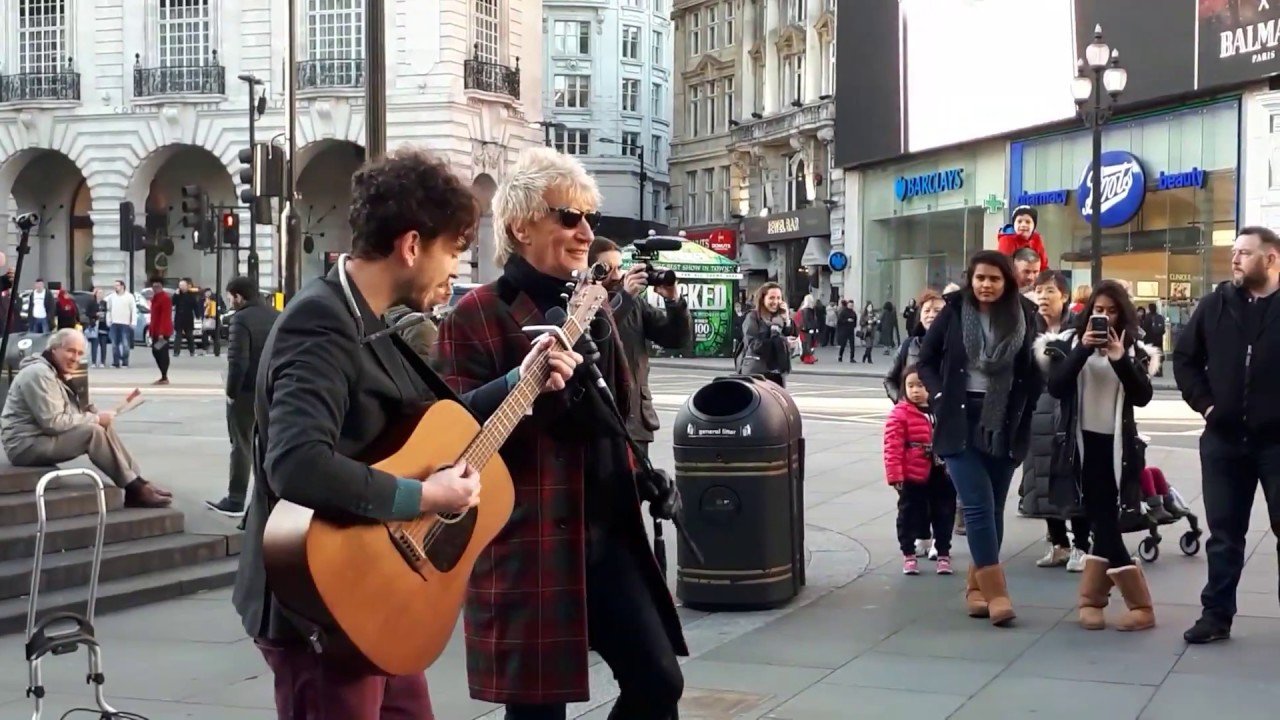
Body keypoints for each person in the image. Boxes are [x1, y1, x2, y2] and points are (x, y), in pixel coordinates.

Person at [230, 148, 581, 720]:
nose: (456, 272)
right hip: (321, 603)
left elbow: (421, 432)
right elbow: (296, 464)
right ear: (412, 245)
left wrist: (522, 381)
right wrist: (424, 497)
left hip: (378, 597)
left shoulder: (371, 319)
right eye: (453, 252)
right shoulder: (320, 323)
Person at [435, 146, 687, 719]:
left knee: (658, 681)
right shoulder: (477, 313)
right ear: (522, 226)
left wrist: (643, 475)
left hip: (607, 533)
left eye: (588, 219)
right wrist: (521, 387)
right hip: (531, 539)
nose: (584, 233)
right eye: (568, 217)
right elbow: (450, 432)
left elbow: (613, 413)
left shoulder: (590, 303)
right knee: (537, 713)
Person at [916, 250, 1042, 627]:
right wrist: (937, 397)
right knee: (976, 504)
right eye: (980, 278)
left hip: (1003, 421)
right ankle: (998, 592)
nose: (986, 285)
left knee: (994, 506)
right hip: (958, 418)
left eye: (994, 279)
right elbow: (926, 359)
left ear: (1007, 282)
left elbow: (1035, 370)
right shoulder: (954, 311)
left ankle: (977, 588)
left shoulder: (1024, 316)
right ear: (970, 279)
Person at [1173, 225, 1280, 645]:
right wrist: (1207, 405)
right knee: (1224, 534)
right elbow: (1184, 358)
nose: (1234, 259)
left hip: (1277, 442)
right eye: (1234, 251)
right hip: (1223, 439)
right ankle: (1216, 616)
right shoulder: (1216, 303)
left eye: (1245, 253)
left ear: (1270, 258)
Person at [1041, 280, 1159, 632]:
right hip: (1080, 445)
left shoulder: (1135, 349)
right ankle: (1113, 603)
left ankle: (1104, 602)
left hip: (1118, 449)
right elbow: (1057, 388)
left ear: (1122, 314)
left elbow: (1142, 397)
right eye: (1098, 310)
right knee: (1099, 521)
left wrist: (1120, 358)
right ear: (1088, 310)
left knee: (1104, 521)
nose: (1103, 317)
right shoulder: (1067, 344)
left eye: (1111, 311)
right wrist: (1081, 352)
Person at [0, 328, 172, 507]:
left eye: (80, 353)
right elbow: (53, 423)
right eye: (70, 351)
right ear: (54, 349)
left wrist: (92, 414)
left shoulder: (53, 372)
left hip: (39, 438)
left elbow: (63, 415)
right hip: (24, 445)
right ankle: (134, 489)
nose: (75, 358)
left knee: (102, 425)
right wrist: (94, 419)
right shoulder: (39, 374)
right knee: (93, 431)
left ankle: (138, 482)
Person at [589, 237, 692, 461]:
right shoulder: (583, 304)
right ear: (591, 271)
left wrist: (673, 300)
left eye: (619, 267)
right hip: (600, 421)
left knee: (637, 492)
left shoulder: (634, 302)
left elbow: (674, 339)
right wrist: (624, 298)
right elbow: (599, 333)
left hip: (636, 420)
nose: (617, 276)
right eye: (607, 269)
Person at [1021, 270, 1091, 572]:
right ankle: (1058, 543)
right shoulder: (1027, 328)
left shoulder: (1077, 329)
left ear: (1064, 295)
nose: (1043, 297)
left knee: (1072, 476)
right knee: (1042, 476)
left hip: (1070, 410)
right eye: (1039, 291)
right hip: (1036, 411)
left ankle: (1081, 545)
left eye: (1050, 291)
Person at [206, 275, 279, 517]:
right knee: (269, 444)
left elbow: (238, 362)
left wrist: (231, 393)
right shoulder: (275, 315)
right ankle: (270, 501)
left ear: (238, 296)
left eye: (230, 297)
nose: (230, 302)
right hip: (273, 390)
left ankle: (236, 499)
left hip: (247, 392)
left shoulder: (241, 320)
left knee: (241, 444)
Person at [884, 365, 956, 576]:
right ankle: (909, 555)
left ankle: (943, 553)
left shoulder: (942, 410)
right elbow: (892, 446)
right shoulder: (900, 413)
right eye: (910, 385)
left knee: (943, 512)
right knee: (909, 514)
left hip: (942, 472)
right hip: (912, 473)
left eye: (921, 385)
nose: (915, 390)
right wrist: (895, 475)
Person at [741, 282, 797, 386]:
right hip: (757, 372)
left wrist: (787, 320)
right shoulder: (753, 317)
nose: (775, 301)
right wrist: (783, 342)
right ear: (763, 299)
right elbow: (754, 345)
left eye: (779, 298)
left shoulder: (780, 318)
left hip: (777, 373)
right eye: (771, 298)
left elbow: (791, 338)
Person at [147, 278, 173, 385]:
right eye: (154, 286)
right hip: (155, 330)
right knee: (155, 351)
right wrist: (151, 330)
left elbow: (165, 316)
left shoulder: (165, 298)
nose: (155, 288)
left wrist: (162, 333)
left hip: (162, 331)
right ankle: (163, 375)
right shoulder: (155, 298)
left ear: (161, 287)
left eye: (157, 286)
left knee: (161, 352)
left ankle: (164, 376)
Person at [105, 280, 136, 368]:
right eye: (114, 285)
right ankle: (116, 362)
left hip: (125, 323)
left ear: (122, 286)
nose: (115, 287)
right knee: (115, 345)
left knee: (125, 345)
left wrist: (133, 322)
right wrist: (109, 320)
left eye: (117, 285)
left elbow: (133, 310)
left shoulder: (129, 297)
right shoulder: (111, 297)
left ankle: (125, 362)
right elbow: (109, 310)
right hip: (114, 323)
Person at [173, 278, 201, 356]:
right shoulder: (177, 295)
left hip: (188, 318)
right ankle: (176, 351)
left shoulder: (191, 295)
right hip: (179, 318)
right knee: (178, 336)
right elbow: (172, 303)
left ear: (186, 286)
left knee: (189, 336)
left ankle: (192, 351)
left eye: (183, 285)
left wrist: (197, 315)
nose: (181, 287)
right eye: (180, 286)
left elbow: (195, 306)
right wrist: (175, 295)